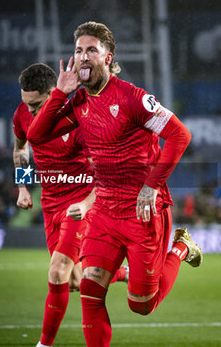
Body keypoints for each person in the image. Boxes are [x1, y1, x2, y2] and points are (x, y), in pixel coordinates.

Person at [27, 22, 203, 347]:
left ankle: (180, 248)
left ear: (108, 57)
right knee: (90, 291)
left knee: (141, 305)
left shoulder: (132, 98)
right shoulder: (78, 102)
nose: (83, 57)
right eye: (79, 50)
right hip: (105, 211)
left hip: (143, 210)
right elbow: (36, 136)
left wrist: (152, 185)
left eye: (91, 50)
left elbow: (180, 134)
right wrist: (59, 94)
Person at [13, 63, 128, 347]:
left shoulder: (77, 119)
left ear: (55, 93)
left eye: (37, 104)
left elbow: (105, 172)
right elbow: (20, 148)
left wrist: (88, 204)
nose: (31, 112)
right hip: (51, 206)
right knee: (74, 281)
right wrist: (23, 187)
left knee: (57, 271)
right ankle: (124, 272)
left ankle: (43, 344)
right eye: (27, 105)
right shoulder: (22, 115)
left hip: (81, 203)